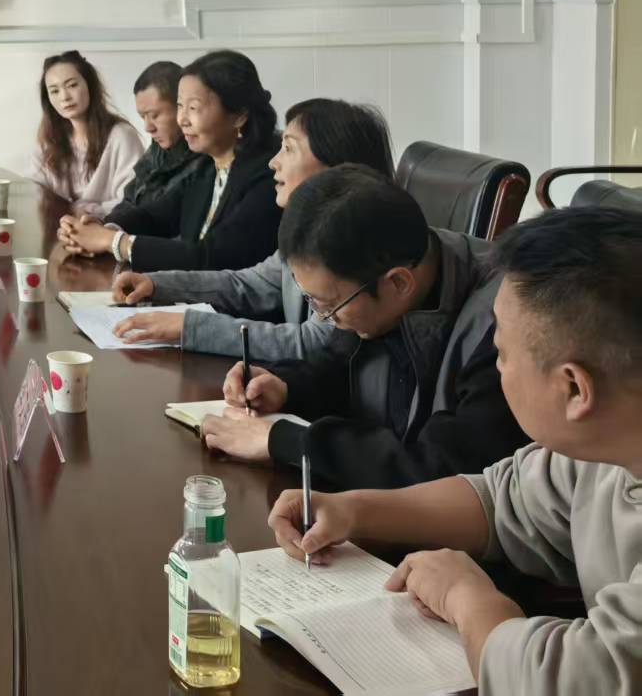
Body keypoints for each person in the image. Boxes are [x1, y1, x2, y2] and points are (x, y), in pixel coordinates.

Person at [267, 207, 642, 693]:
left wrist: (469, 600)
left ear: (573, 389)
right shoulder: (605, 448)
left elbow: (566, 681)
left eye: (501, 351)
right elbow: (503, 501)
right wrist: (354, 510)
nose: (495, 366)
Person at [201, 165, 526, 490]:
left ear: (398, 283)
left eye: (328, 305)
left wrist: (290, 443)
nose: (323, 317)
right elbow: (339, 366)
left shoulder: (506, 322)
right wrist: (285, 388)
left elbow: (447, 469)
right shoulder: (380, 265)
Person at [107, 98, 392, 359]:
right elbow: (250, 285)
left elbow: (315, 341)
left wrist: (190, 327)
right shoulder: (307, 225)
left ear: (336, 167)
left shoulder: (357, 241)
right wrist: (158, 284)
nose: (273, 162)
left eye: (288, 149)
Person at [59, 49, 281, 272]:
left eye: (193, 108)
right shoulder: (208, 167)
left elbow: (211, 257)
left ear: (239, 115)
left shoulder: (270, 176)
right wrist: (98, 228)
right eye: (180, 106)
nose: (182, 119)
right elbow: (153, 216)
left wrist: (113, 242)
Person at [27, 51, 143, 216]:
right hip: (59, 227)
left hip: (105, 227)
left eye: (72, 85)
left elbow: (131, 200)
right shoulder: (48, 141)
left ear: (90, 85)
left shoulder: (122, 136)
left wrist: (87, 212)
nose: (64, 97)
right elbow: (33, 191)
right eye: (54, 91)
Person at [119, 60, 199, 209]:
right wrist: (103, 221)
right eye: (143, 117)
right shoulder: (157, 151)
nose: (148, 127)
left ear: (181, 107)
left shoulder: (204, 161)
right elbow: (128, 201)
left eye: (154, 115)